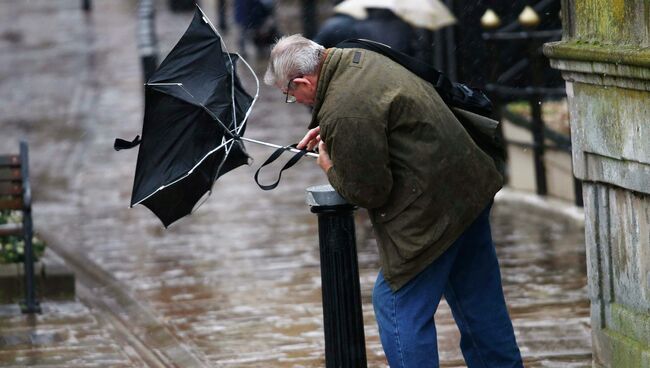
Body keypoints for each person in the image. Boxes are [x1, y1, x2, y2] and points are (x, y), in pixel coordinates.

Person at [264, 35, 523, 368]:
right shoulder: (353, 55)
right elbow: (377, 116)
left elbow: (369, 190)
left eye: (290, 94)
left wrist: (330, 165)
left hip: (432, 210)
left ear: (303, 80)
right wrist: (334, 132)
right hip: (468, 185)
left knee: (395, 304)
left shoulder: (345, 110)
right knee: (478, 301)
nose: (293, 99)